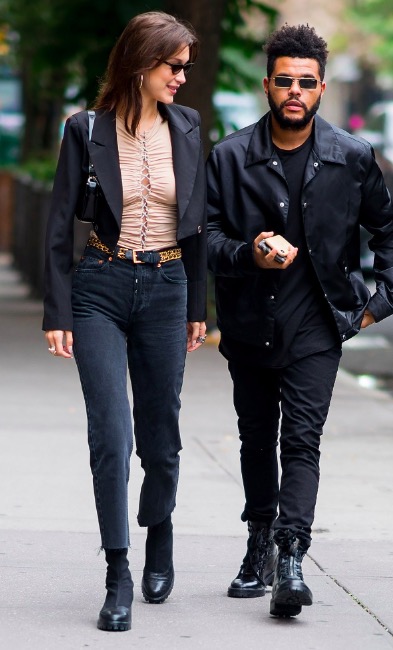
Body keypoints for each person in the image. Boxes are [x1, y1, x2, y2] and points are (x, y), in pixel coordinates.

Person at [207, 23, 393, 618]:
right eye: (285, 81)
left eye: (307, 82)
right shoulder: (230, 157)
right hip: (249, 321)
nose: (295, 91)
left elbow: (386, 229)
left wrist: (379, 301)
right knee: (254, 437)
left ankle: (291, 556)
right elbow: (206, 240)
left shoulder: (352, 156)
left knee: (301, 440)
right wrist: (250, 252)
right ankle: (258, 541)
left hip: (319, 323)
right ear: (267, 85)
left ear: (320, 88)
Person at [43, 11, 207, 632]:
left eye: (187, 67)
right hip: (100, 289)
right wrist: (57, 310)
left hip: (167, 286)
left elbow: (197, 222)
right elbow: (59, 222)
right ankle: (117, 572)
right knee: (112, 436)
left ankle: (159, 527)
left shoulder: (187, 126)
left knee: (161, 439)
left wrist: (196, 306)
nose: (182, 78)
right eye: (174, 66)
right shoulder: (85, 130)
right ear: (141, 63)